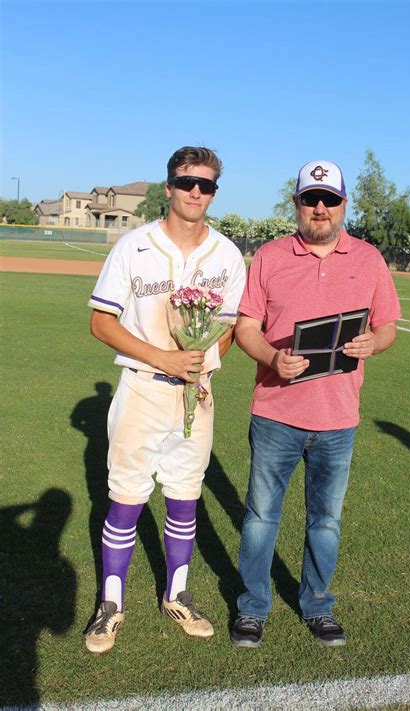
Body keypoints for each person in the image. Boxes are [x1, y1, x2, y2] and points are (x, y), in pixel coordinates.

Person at [231, 160, 401, 648]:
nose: (320, 208)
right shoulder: (268, 255)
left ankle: (317, 605)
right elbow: (245, 326)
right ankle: (253, 608)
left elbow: (386, 325)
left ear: (345, 204)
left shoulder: (369, 259)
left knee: (326, 519)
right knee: (262, 516)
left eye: (329, 199)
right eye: (311, 199)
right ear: (297, 204)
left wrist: (375, 342)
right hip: (276, 413)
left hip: (338, 417)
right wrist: (270, 356)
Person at [84, 146, 246, 654]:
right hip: (141, 390)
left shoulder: (226, 254)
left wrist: (199, 360)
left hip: (197, 393)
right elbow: (101, 323)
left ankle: (177, 593)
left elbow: (231, 327)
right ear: (170, 186)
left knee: (185, 494)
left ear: (214, 192)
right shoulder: (134, 247)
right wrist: (162, 357)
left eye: (207, 185)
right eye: (187, 182)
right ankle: (111, 604)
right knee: (127, 497)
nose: (196, 192)